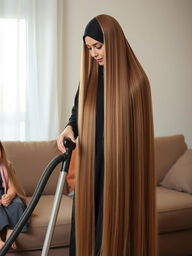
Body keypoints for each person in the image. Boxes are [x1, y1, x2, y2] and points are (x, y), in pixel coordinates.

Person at [57, 14, 157, 256]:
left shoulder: (136, 83)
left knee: (111, 236)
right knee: (86, 232)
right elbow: (77, 114)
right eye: (89, 48)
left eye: (98, 46)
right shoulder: (90, 79)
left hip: (122, 173)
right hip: (91, 169)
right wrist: (70, 127)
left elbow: (139, 141)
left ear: (114, 41)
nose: (94, 54)